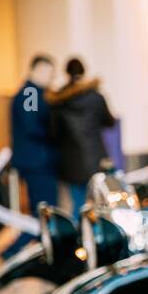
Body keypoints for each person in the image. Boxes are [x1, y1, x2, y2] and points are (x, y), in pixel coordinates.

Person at [6, 54, 59, 253]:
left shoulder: (33, 93)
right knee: (44, 211)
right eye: (50, 73)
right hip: (37, 162)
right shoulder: (30, 93)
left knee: (43, 211)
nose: (51, 79)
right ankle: (13, 250)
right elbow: (31, 126)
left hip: (36, 161)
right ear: (39, 69)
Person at [48, 57, 115, 212]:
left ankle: (81, 235)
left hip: (70, 162)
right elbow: (109, 121)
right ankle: (98, 235)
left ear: (67, 73)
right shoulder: (95, 97)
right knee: (99, 204)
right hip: (95, 158)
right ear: (83, 71)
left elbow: (54, 132)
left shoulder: (59, 100)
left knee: (78, 205)